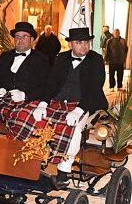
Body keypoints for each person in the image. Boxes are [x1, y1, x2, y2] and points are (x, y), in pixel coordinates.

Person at [32, 27, 108, 187]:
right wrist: (43, 103)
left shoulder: (96, 59)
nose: (84, 46)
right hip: (59, 101)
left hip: (85, 103)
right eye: (79, 42)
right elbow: (51, 82)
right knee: (36, 121)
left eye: (87, 42)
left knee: (74, 128)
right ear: (71, 44)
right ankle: (36, 162)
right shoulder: (62, 57)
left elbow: (94, 88)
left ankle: (63, 170)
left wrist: (79, 110)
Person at [0, 21, 49, 139]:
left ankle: (16, 154)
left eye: (25, 37)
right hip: (2, 100)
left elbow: (46, 86)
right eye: (17, 37)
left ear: (32, 39)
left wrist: (25, 95)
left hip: (26, 102)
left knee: (21, 120)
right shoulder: (5, 56)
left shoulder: (41, 59)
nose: (20, 40)